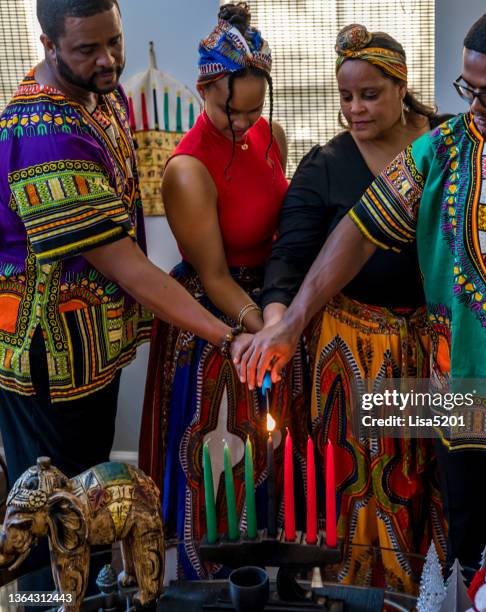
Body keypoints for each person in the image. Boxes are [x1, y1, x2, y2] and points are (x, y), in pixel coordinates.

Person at [236, 4, 486, 598]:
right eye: (468, 88)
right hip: (455, 394)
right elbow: (357, 231)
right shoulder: (444, 149)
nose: (475, 105)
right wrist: (291, 320)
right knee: (467, 553)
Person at [0, 0, 237, 489]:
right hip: (47, 355)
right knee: (54, 508)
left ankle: (94, 567)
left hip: (90, 346)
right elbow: (125, 266)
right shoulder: (46, 134)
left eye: (114, 41)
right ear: (48, 44)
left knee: (93, 487)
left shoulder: (103, 95)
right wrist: (226, 336)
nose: (108, 60)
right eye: (87, 49)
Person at [259, 23, 448, 591]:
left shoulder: (448, 143)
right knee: (372, 483)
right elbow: (289, 259)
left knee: (441, 471)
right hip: (357, 354)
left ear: (401, 85)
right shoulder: (326, 166)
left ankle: (443, 589)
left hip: (438, 346)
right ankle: (370, 593)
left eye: (370, 94)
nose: (355, 109)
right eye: (345, 97)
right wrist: (277, 326)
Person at [138, 3, 306, 579]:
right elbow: (213, 276)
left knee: (276, 454)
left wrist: (285, 317)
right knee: (221, 461)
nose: (244, 124)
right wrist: (268, 333)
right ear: (204, 87)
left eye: (255, 110)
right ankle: (214, 583)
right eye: (231, 112)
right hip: (222, 320)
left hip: (272, 306)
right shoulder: (186, 170)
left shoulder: (269, 133)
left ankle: (278, 578)